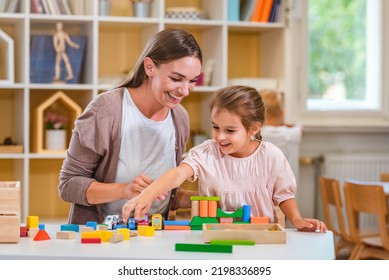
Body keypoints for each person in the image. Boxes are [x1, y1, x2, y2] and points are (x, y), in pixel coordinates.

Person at [122, 85, 327, 232]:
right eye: (215, 127)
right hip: (213, 239)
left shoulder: (271, 156)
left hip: (260, 241)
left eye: (230, 130)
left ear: (253, 128)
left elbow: (284, 195)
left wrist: (297, 219)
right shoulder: (207, 153)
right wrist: (148, 194)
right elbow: (178, 174)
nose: (220, 136)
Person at [58, 28, 202, 225]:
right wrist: (124, 190)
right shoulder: (107, 110)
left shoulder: (180, 118)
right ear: (150, 67)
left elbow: (165, 196)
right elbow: (68, 185)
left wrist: (210, 197)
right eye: (176, 79)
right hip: (103, 237)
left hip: (155, 235)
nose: (185, 91)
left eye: (192, 81)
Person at [259, 89, 303, 178]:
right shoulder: (286, 133)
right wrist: (287, 125)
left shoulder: (256, 132)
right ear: (281, 114)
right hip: (282, 181)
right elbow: (300, 129)